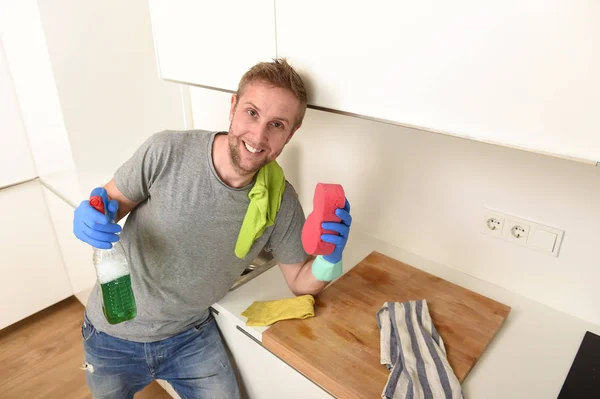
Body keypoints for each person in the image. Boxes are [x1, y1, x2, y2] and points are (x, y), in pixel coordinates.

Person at [73, 58, 352, 399]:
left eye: (277, 124)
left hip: (190, 335)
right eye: (252, 112)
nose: (259, 135)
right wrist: (91, 212)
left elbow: (300, 283)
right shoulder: (167, 151)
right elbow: (111, 201)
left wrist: (330, 258)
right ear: (233, 106)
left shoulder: (280, 201)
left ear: (291, 133)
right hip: (111, 333)